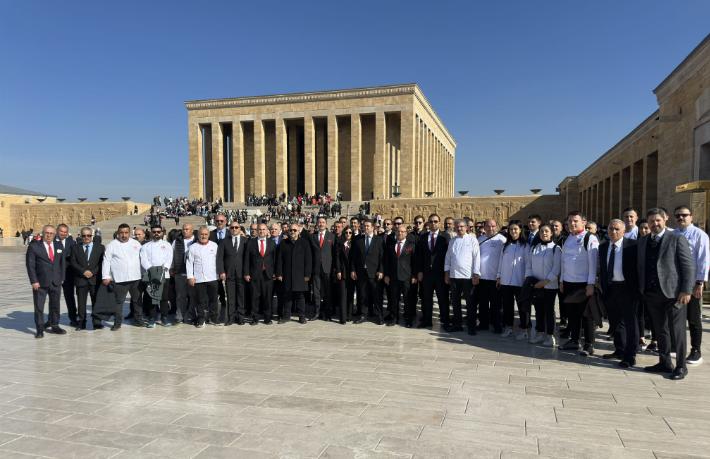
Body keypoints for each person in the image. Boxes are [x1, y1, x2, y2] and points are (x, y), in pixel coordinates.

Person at [638, 208, 695, 380]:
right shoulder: (643, 241)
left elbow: (688, 266)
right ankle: (664, 362)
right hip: (652, 293)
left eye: (658, 220)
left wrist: (686, 290)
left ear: (665, 220)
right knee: (660, 330)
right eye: (651, 221)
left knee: (677, 331)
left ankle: (681, 366)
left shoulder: (677, 238)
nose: (655, 224)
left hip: (674, 293)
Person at [598, 220, 639, 368]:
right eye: (610, 229)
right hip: (610, 288)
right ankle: (619, 349)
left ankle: (630, 355)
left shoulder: (633, 245)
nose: (613, 232)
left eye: (616, 229)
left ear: (623, 231)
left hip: (627, 289)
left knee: (630, 323)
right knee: (615, 322)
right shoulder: (603, 247)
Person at [559, 211, 599, 356]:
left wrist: (591, 283)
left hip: (584, 283)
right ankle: (574, 340)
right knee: (572, 314)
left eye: (575, 221)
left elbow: (593, 263)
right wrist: (562, 280)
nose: (572, 223)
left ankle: (589, 344)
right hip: (569, 282)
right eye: (570, 221)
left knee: (587, 315)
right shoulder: (568, 238)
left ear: (584, 222)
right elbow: (564, 261)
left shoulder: (590, 238)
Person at [674, 205, 709, 365]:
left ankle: (696, 350)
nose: (681, 218)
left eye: (684, 215)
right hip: (675, 284)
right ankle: (677, 347)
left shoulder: (699, 235)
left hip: (693, 283)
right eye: (678, 216)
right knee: (676, 317)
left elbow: (703, 260)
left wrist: (699, 282)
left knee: (693, 319)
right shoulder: (673, 234)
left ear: (691, 217)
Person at [101, 223, 144, 330]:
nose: (124, 235)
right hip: (120, 279)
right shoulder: (111, 245)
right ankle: (117, 323)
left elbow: (142, 258)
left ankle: (138, 320)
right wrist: (105, 276)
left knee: (137, 300)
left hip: (136, 278)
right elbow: (106, 261)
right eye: (121, 233)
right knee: (118, 302)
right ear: (118, 233)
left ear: (129, 233)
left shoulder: (136, 244)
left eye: (126, 233)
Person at [26, 225, 65, 338]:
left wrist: (62, 277)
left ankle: (55, 325)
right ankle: (39, 329)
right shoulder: (34, 247)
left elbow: (62, 263)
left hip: (56, 281)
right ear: (43, 233)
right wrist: (34, 281)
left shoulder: (59, 245)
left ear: (54, 234)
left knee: (55, 305)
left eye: (51, 233)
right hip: (40, 282)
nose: (49, 235)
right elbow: (30, 265)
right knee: (39, 306)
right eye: (47, 233)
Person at [525, 224, 561, 346]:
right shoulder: (534, 248)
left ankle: (550, 335)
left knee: (549, 311)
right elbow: (529, 265)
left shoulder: (556, 249)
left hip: (550, 286)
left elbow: (556, 268)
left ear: (551, 233)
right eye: (541, 231)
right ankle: (540, 332)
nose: (544, 233)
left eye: (547, 231)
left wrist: (545, 281)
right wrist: (532, 281)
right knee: (539, 310)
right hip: (536, 285)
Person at [444, 219, 481, 334]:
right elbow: (448, 257)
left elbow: (476, 257)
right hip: (454, 276)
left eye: (461, 226)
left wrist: (476, 274)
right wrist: (447, 273)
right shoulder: (452, 241)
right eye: (457, 227)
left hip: (468, 276)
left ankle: (471, 326)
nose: (459, 229)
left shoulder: (472, 240)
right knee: (455, 302)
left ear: (466, 227)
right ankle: (457, 324)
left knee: (470, 303)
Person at [416, 213, 450, 329]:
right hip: (426, 274)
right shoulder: (423, 237)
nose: (433, 223)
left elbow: (448, 256)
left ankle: (445, 321)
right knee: (426, 298)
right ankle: (427, 320)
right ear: (428, 223)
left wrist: (447, 272)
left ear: (439, 223)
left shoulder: (445, 237)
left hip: (440, 274)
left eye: (435, 221)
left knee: (443, 298)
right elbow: (419, 256)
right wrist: (420, 271)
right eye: (431, 221)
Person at [497, 220, 529, 339]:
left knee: (522, 307)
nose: (513, 231)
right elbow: (501, 261)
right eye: (511, 229)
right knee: (507, 306)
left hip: (519, 281)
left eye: (515, 229)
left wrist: (526, 278)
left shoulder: (525, 246)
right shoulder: (505, 245)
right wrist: (499, 276)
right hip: (506, 281)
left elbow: (528, 264)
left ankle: (524, 329)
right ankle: (508, 327)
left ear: (520, 230)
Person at [69, 227, 105, 331]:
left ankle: (97, 322)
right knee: (81, 303)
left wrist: (92, 272)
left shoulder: (100, 247)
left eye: (89, 235)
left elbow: (101, 262)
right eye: (84, 236)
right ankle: (81, 322)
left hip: (95, 279)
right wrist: (83, 271)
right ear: (81, 236)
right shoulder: (75, 247)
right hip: (81, 279)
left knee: (96, 302)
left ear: (92, 236)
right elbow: (73, 262)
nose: (86, 238)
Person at [276, 223, 312, 324]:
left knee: (300, 296)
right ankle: (286, 316)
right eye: (291, 230)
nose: (292, 232)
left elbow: (308, 260)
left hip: (300, 275)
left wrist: (307, 275)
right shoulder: (283, 243)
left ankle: (301, 316)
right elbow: (279, 260)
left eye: (294, 230)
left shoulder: (304, 243)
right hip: (287, 274)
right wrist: (279, 273)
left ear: (298, 231)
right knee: (287, 296)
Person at [351, 219, 384, 324]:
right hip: (361, 272)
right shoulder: (357, 239)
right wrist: (353, 270)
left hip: (374, 273)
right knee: (363, 295)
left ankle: (379, 316)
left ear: (373, 227)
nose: (366, 228)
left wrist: (381, 270)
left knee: (377, 295)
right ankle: (363, 315)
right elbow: (353, 257)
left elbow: (382, 257)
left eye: (368, 226)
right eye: (364, 226)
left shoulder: (379, 240)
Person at [384, 223, 418, 327]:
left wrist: (414, 275)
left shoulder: (411, 246)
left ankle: (408, 319)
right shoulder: (391, 245)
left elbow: (415, 262)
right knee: (394, 299)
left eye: (402, 232)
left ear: (406, 233)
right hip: (394, 277)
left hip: (407, 277)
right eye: (398, 231)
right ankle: (394, 318)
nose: (400, 233)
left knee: (408, 299)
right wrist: (387, 275)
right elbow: (387, 262)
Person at [140, 225, 173, 327]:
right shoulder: (145, 246)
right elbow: (143, 259)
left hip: (164, 274)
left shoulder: (167, 245)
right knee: (151, 297)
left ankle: (164, 317)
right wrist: (152, 269)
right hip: (151, 275)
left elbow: (169, 258)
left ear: (162, 233)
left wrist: (164, 268)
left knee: (164, 297)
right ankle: (152, 318)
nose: (156, 234)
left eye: (158, 232)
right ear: (150, 232)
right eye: (154, 232)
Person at [476, 219, 506, 332]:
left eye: (493, 226)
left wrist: (500, 275)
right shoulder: (480, 239)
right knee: (483, 303)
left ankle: (497, 324)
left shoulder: (502, 240)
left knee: (496, 304)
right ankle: (483, 323)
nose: (491, 228)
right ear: (484, 227)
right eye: (488, 226)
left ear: (496, 226)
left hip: (495, 278)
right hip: (482, 277)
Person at [186, 226, 219, 327]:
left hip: (213, 277)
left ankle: (213, 318)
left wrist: (220, 273)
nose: (203, 236)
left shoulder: (214, 246)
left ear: (208, 235)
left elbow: (218, 261)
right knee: (200, 300)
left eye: (205, 234)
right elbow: (189, 263)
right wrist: (190, 276)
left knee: (213, 300)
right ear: (198, 235)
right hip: (199, 278)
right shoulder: (192, 247)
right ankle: (201, 319)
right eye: (201, 234)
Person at [217, 222, 249, 325]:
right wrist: (221, 271)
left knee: (241, 296)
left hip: (242, 273)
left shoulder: (246, 241)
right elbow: (220, 258)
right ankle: (231, 317)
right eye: (232, 227)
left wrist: (247, 272)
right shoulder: (224, 241)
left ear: (240, 229)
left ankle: (240, 317)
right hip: (229, 273)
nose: (234, 229)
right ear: (229, 229)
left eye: (236, 227)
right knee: (230, 296)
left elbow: (248, 258)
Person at [244, 223, 276, 325]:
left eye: (263, 229)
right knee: (254, 297)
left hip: (268, 274)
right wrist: (246, 273)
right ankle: (255, 318)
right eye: (260, 229)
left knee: (267, 297)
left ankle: (267, 318)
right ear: (257, 231)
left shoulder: (272, 243)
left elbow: (275, 259)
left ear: (267, 231)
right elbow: (247, 259)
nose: (262, 231)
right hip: (254, 274)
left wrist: (275, 272)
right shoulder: (251, 243)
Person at [311, 216, 335, 321]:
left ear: (326, 224)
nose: (321, 224)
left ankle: (327, 313)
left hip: (327, 268)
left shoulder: (332, 236)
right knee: (316, 292)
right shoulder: (312, 236)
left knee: (328, 292)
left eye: (323, 222)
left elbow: (334, 253)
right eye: (319, 222)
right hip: (316, 268)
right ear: (317, 224)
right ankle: (317, 312)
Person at [171, 223, 195, 324]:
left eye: (187, 229)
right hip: (180, 272)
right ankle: (179, 315)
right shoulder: (177, 241)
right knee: (180, 296)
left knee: (193, 296)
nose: (185, 231)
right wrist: (172, 268)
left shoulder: (197, 240)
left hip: (193, 273)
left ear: (192, 230)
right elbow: (171, 254)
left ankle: (191, 315)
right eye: (184, 229)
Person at [55, 223, 78, 327]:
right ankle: (53, 320)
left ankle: (73, 318)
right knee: (54, 298)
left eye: (65, 232)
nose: (63, 234)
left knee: (69, 297)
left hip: (69, 275)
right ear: (57, 231)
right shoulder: (51, 242)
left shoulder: (71, 242)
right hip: (55, 274)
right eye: (61, 231)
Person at [334, 226, 356, 323]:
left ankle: (349, 315)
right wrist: (338, 271)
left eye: (350, 232)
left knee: (350, 295)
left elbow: (356, 259)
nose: (348, 234)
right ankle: (342, 318)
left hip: (352, 272)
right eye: (346, 232)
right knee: (343, 295)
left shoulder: (355, 244)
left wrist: (354, 270)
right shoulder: (339, 244)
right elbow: (337, 258)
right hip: (342, 272)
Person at [209, 213, 229, 317]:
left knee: (229, 291)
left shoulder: (231, 233)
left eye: (221, 221)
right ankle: (216, 312)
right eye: (217, 221)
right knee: (216, 290)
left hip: (229, 267)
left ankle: (229, 312)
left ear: (225, 221)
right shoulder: (210, 234)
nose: (219, 223)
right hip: (213, 267)